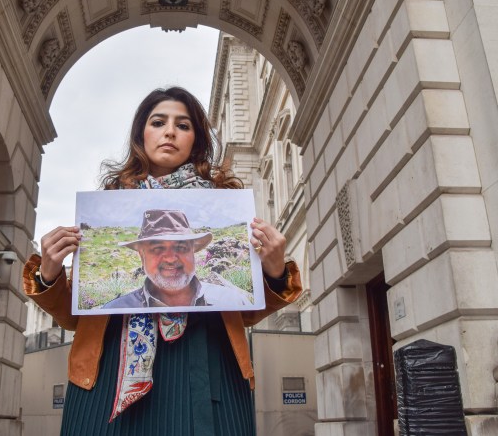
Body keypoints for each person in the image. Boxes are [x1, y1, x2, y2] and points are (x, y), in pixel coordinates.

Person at [23, 87, 302, 435]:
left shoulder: (225, 206)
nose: (170, 131)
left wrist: (274, 272)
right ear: (142, 132)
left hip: (208, 370)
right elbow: (72, 316)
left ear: (195, 139)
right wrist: (49, 274)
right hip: (108, 378)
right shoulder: (105, 209)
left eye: (183, 125)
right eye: (159, 122)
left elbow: (244, 310)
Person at [102, 208, 252, 309]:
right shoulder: (116, 310)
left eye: (180, 247)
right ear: (142, 257)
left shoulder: (232, 301)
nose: (171, 259)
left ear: (193, 252)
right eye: (157, 248)